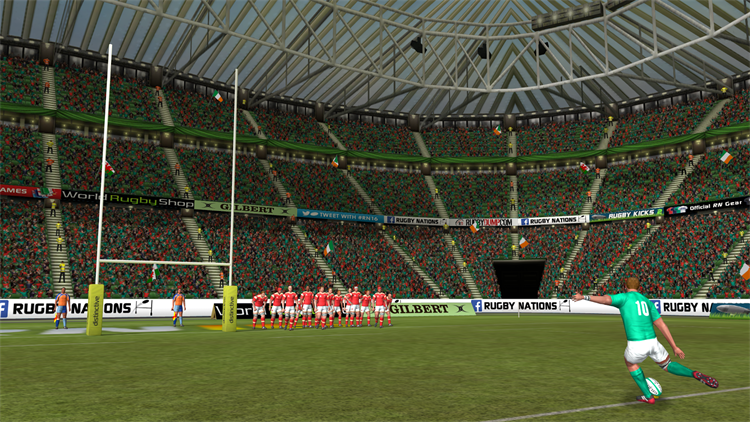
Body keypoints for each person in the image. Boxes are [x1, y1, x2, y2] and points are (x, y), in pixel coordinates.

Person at [572, 277, 718, 404]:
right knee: (667, 365)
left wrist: (584, 297)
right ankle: (693, 373)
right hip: (653, 342)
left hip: (637, 343)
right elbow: (662, 325)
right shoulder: (647, 301)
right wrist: (675, 347)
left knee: (630, 363)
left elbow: (605, 299)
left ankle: (648, 397)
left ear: (626, 286)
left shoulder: (624, 297)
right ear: (639, 287)